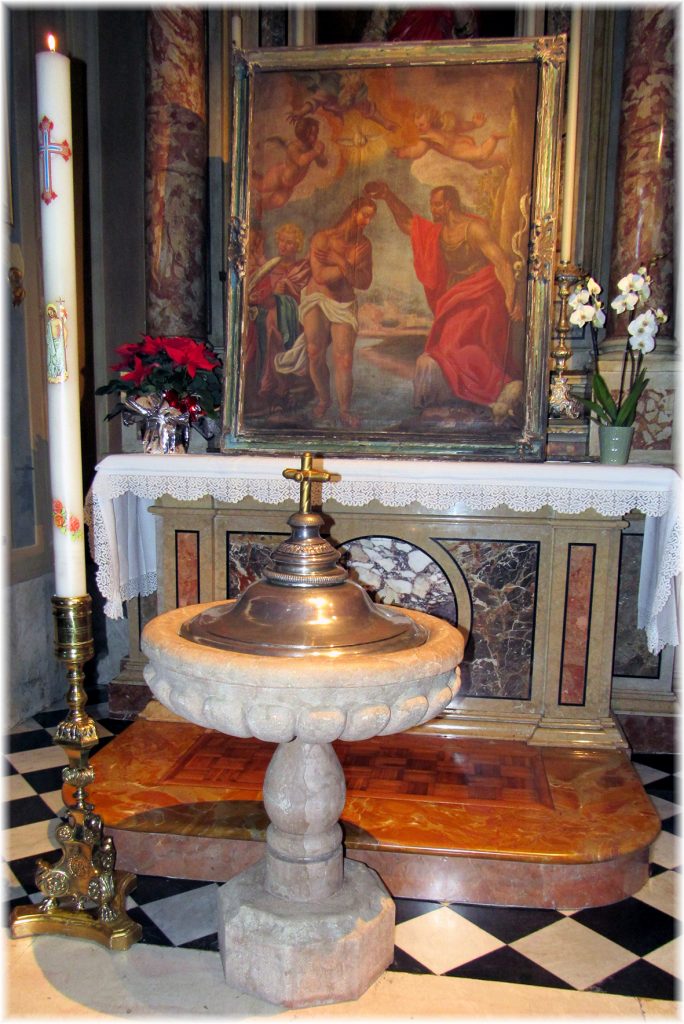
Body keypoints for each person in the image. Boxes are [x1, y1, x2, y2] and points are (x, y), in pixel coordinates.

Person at [364, 180, 523, 423]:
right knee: (445, 346)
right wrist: (388, 196)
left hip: (483, 294)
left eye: (437, 204)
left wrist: (511, 297)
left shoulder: (474, 229)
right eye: (432, 204)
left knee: (457, 344)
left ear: (449, 204)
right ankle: (462, 395)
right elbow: (408, 223)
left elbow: (501, 263)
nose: (433, 209)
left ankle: (495, 388)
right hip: (457, 296)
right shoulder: (439, 232)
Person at [278, 197, 376, 428]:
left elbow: (364, 282)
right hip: (316, 299)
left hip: (343, 303)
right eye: (365, 215)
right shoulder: (322, 238)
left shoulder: (364, 245)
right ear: (353, 211)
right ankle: (324, 399)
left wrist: (340, 261)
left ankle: (344, 410)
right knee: (314, 352)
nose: (367, 221)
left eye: (371, 217)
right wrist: (348, 266)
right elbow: (321, 277)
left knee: (344, 359)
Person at [247, 223, 311, 408]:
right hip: (267, 312)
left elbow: (306, 296)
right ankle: (273, 385)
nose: (284, 245)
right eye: (282, 241)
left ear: (297, 246)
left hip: (295, 314)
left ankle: (280, 386)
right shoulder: (269, 265)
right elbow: (260, 293)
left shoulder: (302, 268)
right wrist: (271, 294)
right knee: (271, 324)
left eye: (289, 242)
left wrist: (287, 289)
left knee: (274, 326)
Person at [393, 105, 508, 170]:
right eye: (416, 125)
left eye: (421, 124)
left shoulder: (428, 138)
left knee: (482, 154)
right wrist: (474, 124)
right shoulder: (443, 125)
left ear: (430, 121)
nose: (418, 128)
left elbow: (417, 151)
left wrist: (403, 152)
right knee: (479, 164)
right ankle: (501, 158)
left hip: (460, 150)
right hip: (463, 143)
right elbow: (460, 126)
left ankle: (494, 137)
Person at [252, 117, 327, 212]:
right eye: (312, 134)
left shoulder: (312, 147)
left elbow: (322, 164)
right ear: (304, 133)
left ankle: (260, 205)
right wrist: (316, 152)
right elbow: (300, 161)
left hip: (289, 185)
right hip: (279, 176)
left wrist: (321, 155)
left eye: (316, 133)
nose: (315, 137)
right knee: (261, 187)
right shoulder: (294, 147)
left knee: (278, 202)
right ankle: (248, 174)